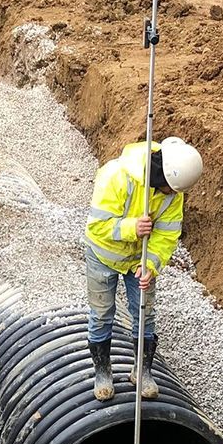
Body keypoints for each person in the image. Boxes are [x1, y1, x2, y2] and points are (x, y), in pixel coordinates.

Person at [83, 137, 203, 402]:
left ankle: (142, 370)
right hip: (103, 256)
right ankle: (102, 372)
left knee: (145, 314)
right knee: (102, 314)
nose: (173, 195)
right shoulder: (116, 176)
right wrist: (131, 228)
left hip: (139, 260)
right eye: (169, 190)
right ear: (162, 175)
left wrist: (151, 265)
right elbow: (96, 226)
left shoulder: (174, 192)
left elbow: (167, 235)